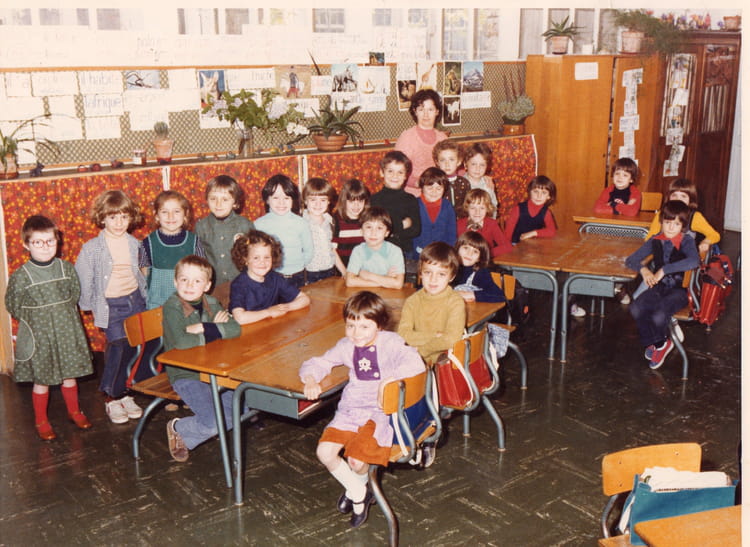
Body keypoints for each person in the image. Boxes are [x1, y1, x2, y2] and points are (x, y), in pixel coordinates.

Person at [300, 291, 425, 528]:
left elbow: (415, 363)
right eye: (351, 326)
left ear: (380, 326)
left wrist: (389, 381)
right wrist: (310, 379)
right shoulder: (346, 345)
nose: (356, 334)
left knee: (357, 462)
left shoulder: (390, 342)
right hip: (351, 409)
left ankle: (355, 492)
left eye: (365, 327)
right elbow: (319, 362)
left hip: (380, 413)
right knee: (324, 452)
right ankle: (359, 493)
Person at [5, 215, 93, 440]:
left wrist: (61, 318)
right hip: (40, 336)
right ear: (26, 244)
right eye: (38, 242)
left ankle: (74, 411)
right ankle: (41, 420)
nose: (45, 247)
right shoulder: (21, 276)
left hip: (66, 332)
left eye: (50, 241)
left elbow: (74, 294)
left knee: (70, 375)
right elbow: (12, 304)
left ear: (57, 241)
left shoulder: (66, 268)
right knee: (42, 380)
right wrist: (39, 320)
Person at [76, 190, 147, 425]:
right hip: (111, 305)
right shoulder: (92, 248)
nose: (119, 223)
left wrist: (146, 298)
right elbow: (83, 277)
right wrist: (88, 304)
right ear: (102, 217)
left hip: (134, 301)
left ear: (131, 218)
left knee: (134, 347)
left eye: (124, 217)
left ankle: (125, 393)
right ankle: (111, 396)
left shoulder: (135, 244)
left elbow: (143, 273)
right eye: (113, 217)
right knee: (117, 346)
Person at [162, 255, 242, 462]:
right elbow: (181, 342)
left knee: (241, 410)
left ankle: (193, 433)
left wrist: (203, 327)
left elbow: (235, 329)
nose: (189, 285)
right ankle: (178, 427)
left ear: (207, 286)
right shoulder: (172, 307)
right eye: (184, 279)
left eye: (197, 281)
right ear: (175, 282)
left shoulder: (211, 302)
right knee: (215, 423)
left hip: (212, 367)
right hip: (185, 374)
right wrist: (215, 329)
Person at [625, 200, 699, 370]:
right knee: (635, 308)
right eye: (667, 222)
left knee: (658, 315)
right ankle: (658, 344)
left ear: (683, 226)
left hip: (680, 290)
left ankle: (660, 344)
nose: (671, 228)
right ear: (661, 222)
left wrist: (664, 270)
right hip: (660, 287)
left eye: (676, 224)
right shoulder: (656, 239)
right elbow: (631, 260)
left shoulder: (686, 241)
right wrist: (643, 270)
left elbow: (694, 261)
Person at [397, 241, 465, 364]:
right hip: (414, 362)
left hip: (443, 363)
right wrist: (435, 335)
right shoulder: (412, 301)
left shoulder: (455, 302)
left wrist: (422, 351)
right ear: (420, 272)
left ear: (451, 276)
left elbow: (451, 339)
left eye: (441, 274)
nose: (433, 279)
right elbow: (403, 334)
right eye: (428, 272)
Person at [140, 190, 205, 310]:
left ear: (185, 214)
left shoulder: (194, 241)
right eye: (165, 212)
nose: (171, 216)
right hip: (157, 304)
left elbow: (202, 271)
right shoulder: (148, 242)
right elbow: (144, 273)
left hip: (187, 304)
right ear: (156, 215)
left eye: (176, 211)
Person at [229, 230, 310, 324]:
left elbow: (304, 299)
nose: (262, 262)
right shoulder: (239, 285)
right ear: (245, 259)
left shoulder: (275, 278)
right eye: (256, 258)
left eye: (267, 257)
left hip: (271, 325)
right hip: (248, 329)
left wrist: (284, 308)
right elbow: (240, 318)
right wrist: (269, 312)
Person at [254, 174, 313, 288]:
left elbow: (308, 251)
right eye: (275, 198)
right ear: (267, 199)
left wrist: (298, 266)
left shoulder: (301, 223)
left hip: (298, 275)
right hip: (271, 275)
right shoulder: (259, 225)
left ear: (292, 200)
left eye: (286, 198)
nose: (281, 203)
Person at [195, 175, 254, 288]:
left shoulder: (245, 225)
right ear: (207, 200)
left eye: (225, 199)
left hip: (241, 283)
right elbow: (199, 258)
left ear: (235, 203)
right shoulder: (201, 226)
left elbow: (253, 255)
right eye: (213, 199)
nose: (218, 204)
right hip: (213, 286)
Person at [645, 178, 720, 256]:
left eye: (683, 196)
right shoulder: (661, 214)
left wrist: (706, 242)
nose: (678, 199)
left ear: (690, 199)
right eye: (674, 195)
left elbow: (714, 235)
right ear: (669, 197)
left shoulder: (695, 217)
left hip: (684, 257)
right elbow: (650, 237)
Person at [394, 89, 447, 195]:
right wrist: (420, 183)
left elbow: (452, 166)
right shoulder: (407, 137)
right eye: (421, 109)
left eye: (430, 109)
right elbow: (397, 170)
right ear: (415, 111)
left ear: (437, 112)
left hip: (437, 193)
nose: (426, 115)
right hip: (413, 196)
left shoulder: (443, 138)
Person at [370, 151, 421, 261]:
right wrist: (402, 224)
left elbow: (416, 229)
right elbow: (373, 229)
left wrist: (389, 230)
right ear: (382, 172)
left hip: (404, 251)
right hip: (379, 251)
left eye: (400, 172)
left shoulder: (410, 199)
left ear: (406, 176)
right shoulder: (374, 200)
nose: (395, 176)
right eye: (390, 171)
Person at [345, 207, 405, 289]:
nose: (373, 233)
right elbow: (350, 281)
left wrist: (368, 275)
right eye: (369, 227)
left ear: (387, 233)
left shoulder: (395, 251)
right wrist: (385, 281)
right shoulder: (358, 250)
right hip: (364, 293)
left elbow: (398, 284)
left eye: (379, 228)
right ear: (361, 231)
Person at [303, 177, 346, 282]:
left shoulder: (331, 222)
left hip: (330, 270)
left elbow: (332, 249)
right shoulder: (301, 223)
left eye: (323, 200)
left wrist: (344, 271)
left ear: (328, 201)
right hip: (309, 273)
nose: (318, 204)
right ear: (305, 201)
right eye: (313, 200)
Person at [412, 167, 457, 258]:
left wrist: (449, 251)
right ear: (422, 187)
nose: (434, 192)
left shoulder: (447, 206)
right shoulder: (414, 204)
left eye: (438, 188)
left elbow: (452, 232)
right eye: (430, 188)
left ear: (444, 189)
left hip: (441, 254)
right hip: (418, 253)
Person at [453, 231, 506, 303]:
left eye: (475, 251)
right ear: (457, 249)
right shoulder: (449, 267)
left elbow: (499, 295)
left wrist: (471, 294)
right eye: (466, 248)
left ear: (479, 258)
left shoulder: (480, 272)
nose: (469, 253)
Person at [457, 188, 512, 257]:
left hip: (484, 260)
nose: (477, 212)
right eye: (473, 208)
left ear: (487, 209)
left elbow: (507, 246)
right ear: (467, 208)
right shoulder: (459, 224)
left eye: (482, 208)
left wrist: (485, 254)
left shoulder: (491, 224)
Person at [505, 175, 558, 244]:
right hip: (515, 244)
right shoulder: (518, 209)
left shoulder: (546, 212)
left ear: (549, 196)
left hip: (533, 245)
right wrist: (508, 247)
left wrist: (533, 233)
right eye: (535, 191)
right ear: (530, 192)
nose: (539, 196)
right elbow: (508, 233)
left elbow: (552, 231)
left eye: (544, 193)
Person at [332, 178, 370, 268]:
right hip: (342, 268)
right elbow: (332, 250)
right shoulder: (336, 220)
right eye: (351, 201)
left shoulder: (368, 219)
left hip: (364, 268)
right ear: (344, 201)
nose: (356, 205)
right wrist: (344, 271)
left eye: (360, 201)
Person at [432, 139, 471, 215]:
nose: (447, 164)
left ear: (459, 161)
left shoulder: (464, 183)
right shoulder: (435, 183)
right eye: (442, 160)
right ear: (437, 162)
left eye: (451, 159)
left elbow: (468, 206)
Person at [463, 142, 499, 217]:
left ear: (487, 166)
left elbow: (493, 207)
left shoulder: (488, 185)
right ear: (465, 164)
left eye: (482, 165)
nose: (477, 168)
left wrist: (491, 222)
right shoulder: (460, 185)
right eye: (473, 164)